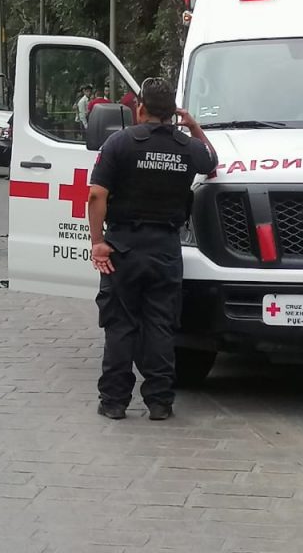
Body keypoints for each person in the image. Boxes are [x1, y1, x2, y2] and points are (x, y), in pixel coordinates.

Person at [87, 77, 218, 422]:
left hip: (123, 247)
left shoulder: (119, 143)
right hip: (165, 248)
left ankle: (114, 402)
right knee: (160, 325)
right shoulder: (186, 147)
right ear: (173, 113)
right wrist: (194, 127)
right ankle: (160, 402)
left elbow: (96, 195)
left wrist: (97, 242)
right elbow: (212, 162)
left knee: (120, 325)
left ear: (139, 108)